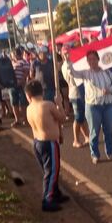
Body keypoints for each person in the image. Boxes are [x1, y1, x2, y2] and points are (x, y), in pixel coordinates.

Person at [64, 49, 112, 164]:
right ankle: (95, 154)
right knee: (94, 131)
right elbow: (72, 73)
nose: (92, 61)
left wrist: (109, 90)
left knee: (108, 130)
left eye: (94, 59)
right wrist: (68, 61)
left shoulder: (106, 72)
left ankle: (110, 152)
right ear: (87, 61)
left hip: (108, 104)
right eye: (89, 59)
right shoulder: (85, 73)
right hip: (93, 106)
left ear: (98, 59)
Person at [25, 80, 68, 212]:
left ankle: (55, 192)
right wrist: (60, 104)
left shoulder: (29, 108)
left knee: (48, 170)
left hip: (37, 142)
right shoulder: (47, 105)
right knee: (51, 171)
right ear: (42, 92)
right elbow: (62, 118)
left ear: (28, 96)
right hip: (49, 143)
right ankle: (47, 199)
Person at [61, 51, 90, 148]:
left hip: (79, 93)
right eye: (66, 53)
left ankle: (86, 137)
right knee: (78, 118)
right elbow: (73, 76)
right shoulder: (67, 65)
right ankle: (76, 140)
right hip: (75, 93)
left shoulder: (71, 63)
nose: (69, 54)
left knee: (82, 117)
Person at [0, 51, 22, 127]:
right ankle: (22, 119)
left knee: (12, 102)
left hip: (6, 85)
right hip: (14, 83)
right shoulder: (11, 63)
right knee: (19, 102)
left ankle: (16, 118)